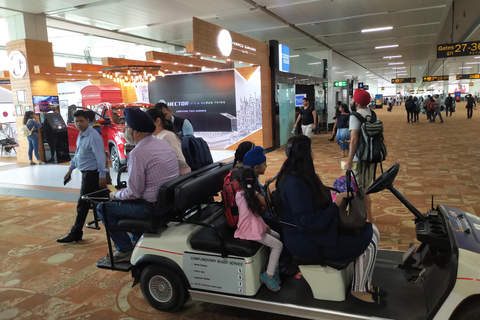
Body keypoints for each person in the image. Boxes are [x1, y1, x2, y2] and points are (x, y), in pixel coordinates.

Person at [275, 135, 383, 305]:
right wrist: (336, 204)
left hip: (315, 231)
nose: (313, 153)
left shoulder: (297, 175)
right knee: (368, 240)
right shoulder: (295, 183)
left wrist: (335, 202)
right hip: (307, 241)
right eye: (311, 150)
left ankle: (365, 284)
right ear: (305, 154)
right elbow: (310, 225)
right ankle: (358, 289)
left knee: (372, 230)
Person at [97, 108, 179, 262]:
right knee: (124, 199)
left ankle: (125, 249)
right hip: (168, 203)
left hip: (152, 208)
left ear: (137, 132)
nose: (124, 131)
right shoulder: (162, 144)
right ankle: (137, 239)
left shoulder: (137, 153)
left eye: (127, 128)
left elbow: (134, 193)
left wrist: (115, 194)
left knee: (103, 208)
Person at [57, 110, 109, 243]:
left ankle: (75, 232)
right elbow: (78, 153)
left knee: (83, 203)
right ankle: (121, 223)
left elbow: (100, 157)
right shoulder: (81, 135)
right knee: (105, 200)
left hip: (93, 174)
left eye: (81, 121)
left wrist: (102, 175)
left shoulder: (93, 136)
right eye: (76, 121)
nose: (78, 124)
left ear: (88, 120)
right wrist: (70, 168)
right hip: (86, 173)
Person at [234, 167, 283, 292]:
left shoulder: (238, 195)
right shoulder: (255, 195)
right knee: (278, 245)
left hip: (253, 225)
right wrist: (266, 188)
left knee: (277, 236)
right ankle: (268, 275)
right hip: (250, 230)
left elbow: (252, 214)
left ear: (239, 183)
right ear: (255, 181)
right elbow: (268, 206)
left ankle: (272, 266)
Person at [344, 89, 376, 222]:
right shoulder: (373, 115)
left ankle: (369, 218)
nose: (351, 101)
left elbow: (356, 140)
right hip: (371, 155)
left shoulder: (355, 116)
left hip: (360, 157)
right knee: (366, 186)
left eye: (352, 99)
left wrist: (349, 161)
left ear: (357, 102)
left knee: (361, 189)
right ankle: (368, 216)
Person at [146, 108, 191, 175]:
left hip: (180, 177)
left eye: (147, 123)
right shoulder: (159, 136)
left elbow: (181, 161)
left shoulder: (166, 136)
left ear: (158, 121)